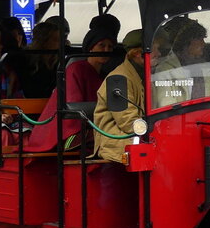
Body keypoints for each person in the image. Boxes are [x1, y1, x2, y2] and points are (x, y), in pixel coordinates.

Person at [22, 20, 117, 153]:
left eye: (110, 46)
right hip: (67, 131)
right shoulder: (75, 69)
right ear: (91, 47)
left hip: (92, 125)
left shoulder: (106, 74)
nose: (106, 50)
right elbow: (73, 105)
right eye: (102, 45)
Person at [94, 29, 146, 164]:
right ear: (138, 54)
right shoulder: (117, 79)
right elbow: (128, 122)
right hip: (116, 143)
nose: (159, 54)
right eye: (156, 50)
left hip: (135, 137)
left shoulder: (145, 75)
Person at [14, 19, 63, 98]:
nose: (60, 43)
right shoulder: (26, 59)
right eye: (55, 40)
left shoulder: (60, 59)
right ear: (44, 40)